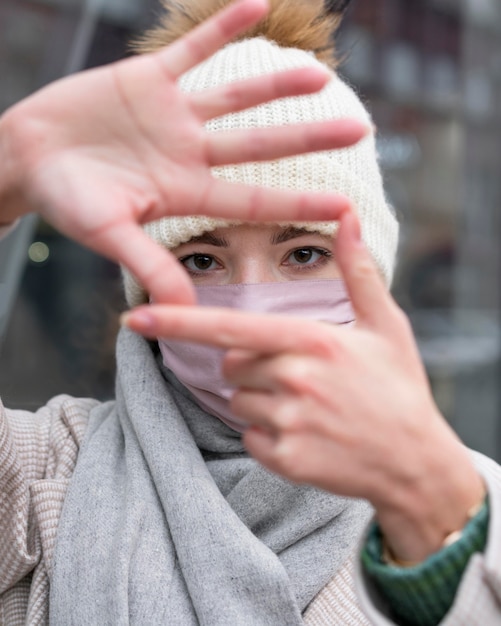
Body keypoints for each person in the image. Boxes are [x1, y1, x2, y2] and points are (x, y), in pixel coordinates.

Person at [0, 3, 499, 626]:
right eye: (202, 261)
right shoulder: (45, 472)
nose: (255, 305)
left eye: (306, 253)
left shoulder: (465, 503)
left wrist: (435, 515)